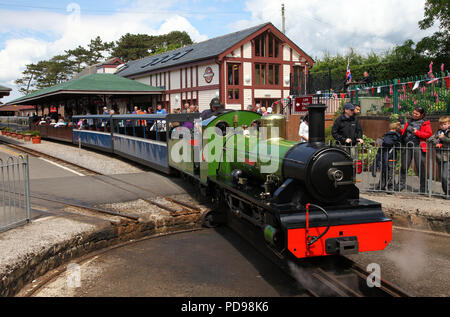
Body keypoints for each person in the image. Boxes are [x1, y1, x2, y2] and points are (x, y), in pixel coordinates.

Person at [398, 107, 432, 192]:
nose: (414, 115)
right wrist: (399, 129)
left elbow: (428, 134)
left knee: (420, 167)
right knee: (404, 166)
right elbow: (405, 131)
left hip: (418, 146)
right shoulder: (409, 121)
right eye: (413, 113)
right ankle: (400, 185)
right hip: (407, 145)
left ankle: (424, 188)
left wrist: (417, 132)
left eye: (416, 114)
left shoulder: (425, 123)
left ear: (422, 115)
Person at [372, 122, 401, 190]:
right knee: (390, 173)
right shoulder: (396, 136)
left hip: (386, 156)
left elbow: (387, 143)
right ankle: (390, 187)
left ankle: (382, 186)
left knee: (385, 172)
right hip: (392, 156)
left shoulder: (388, 135)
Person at [428, 116, 450, 196]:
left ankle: (448, 192)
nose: (443, 126)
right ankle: (446, 192)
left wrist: (443, 138)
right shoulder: (438, 132)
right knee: (442, 176)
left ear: (448, 124)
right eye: (441, 124)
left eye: (445, 124)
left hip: (447, 156)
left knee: (445, 176)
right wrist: (436, 142)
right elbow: (430, 139)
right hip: (439, 157)